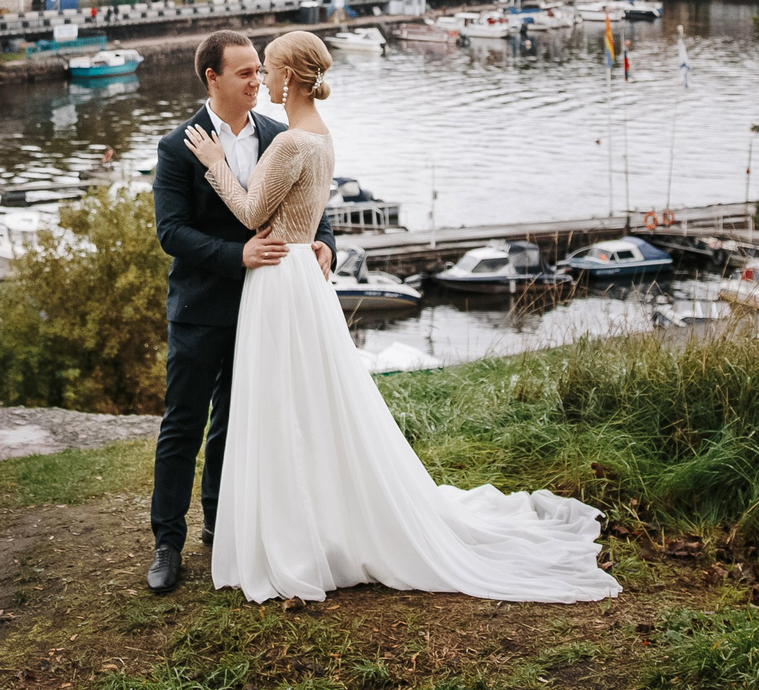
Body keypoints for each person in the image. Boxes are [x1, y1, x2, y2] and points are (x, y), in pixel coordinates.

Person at [184, 30, 623, 606]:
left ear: (289, 76)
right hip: (301, 282)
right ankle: (313, 519)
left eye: (267, 68)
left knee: (284, 402)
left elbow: (249, 214)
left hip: (280, 280)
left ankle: (295, 530)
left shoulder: (290, 143)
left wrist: (217, 164)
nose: (262, 79)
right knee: (307, 402)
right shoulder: (321, 136)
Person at [145, 29, 334, 595]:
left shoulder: (281, 134)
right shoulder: (179, 145)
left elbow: (312, 204)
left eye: (260, 70)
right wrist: (237, 255)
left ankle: (220, 526)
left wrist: (326, 244)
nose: (258, 81)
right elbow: (171, 232)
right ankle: (166, 543)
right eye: (246, 73)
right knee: (183, 425)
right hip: (202, 306)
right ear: (213, 78)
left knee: (236, 424)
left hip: (268, 306)